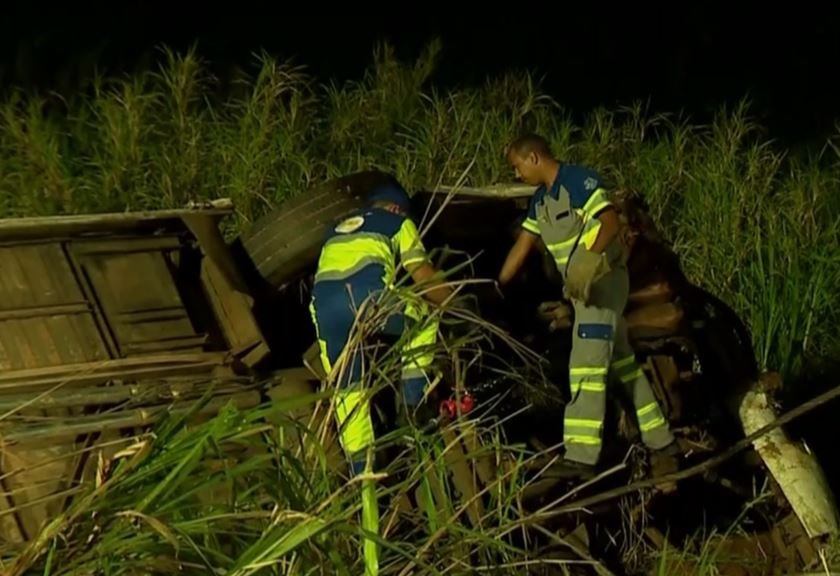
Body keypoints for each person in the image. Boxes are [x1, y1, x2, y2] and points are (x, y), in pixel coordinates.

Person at [497, 133, 678, 475]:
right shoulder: (540, 201)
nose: (517, 175)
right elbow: (522, 246)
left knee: (586, 366)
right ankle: (662, 440)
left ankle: (580, 456)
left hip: (601, 283)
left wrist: (588, 259)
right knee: (623, 365)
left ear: (534, 158)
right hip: (582, 293)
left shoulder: (578, 181)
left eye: (518, 167)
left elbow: (609, 221)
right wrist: (496, 285)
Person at [309, 176, 453, 575]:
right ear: (397, 208)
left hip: (325, 315)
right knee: (423, 313)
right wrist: (459, 306)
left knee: (353, 417)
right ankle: (412, 400)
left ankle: (372, 558)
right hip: (369, 303)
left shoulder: (334, 229)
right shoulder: (397, 223)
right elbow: (422, 275)